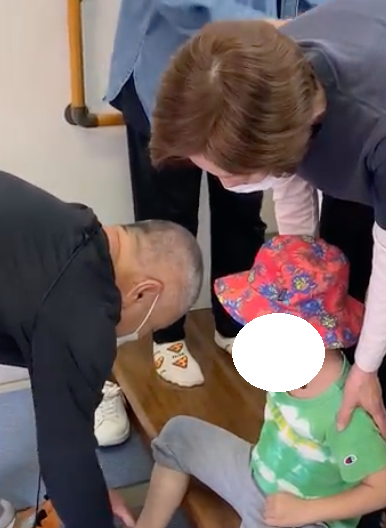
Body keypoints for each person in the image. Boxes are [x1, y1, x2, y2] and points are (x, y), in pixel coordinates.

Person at [149, 0, 386, 524]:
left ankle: (362, 506)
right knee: (335, 287)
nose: (224, 186)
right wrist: (302, 287)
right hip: (365, 95)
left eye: (231, 175)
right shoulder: (266, 76)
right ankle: (313, 457)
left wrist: (365, 370)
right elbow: (294, 194)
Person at [0, 156, 204, 528]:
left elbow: (68, 435)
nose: (129, 333)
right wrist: (86, 503)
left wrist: (90, 488)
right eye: (145, 327)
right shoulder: (85, 303)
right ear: (144, 292)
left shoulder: (68, 230)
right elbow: (65, 457)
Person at [105, 0, 325, 388]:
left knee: (242, 207)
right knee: (168, 216)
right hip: (172, 64)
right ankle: (166, 335)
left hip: (257, 75)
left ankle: (232, 321)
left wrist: (323, 26)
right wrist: (269, 28)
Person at [135, 236, 386, 528]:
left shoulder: (344, 408)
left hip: (302, 518)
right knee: (178, 434)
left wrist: (304, 511)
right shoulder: (280, 361)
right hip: (254, 472)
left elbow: (382, 489)